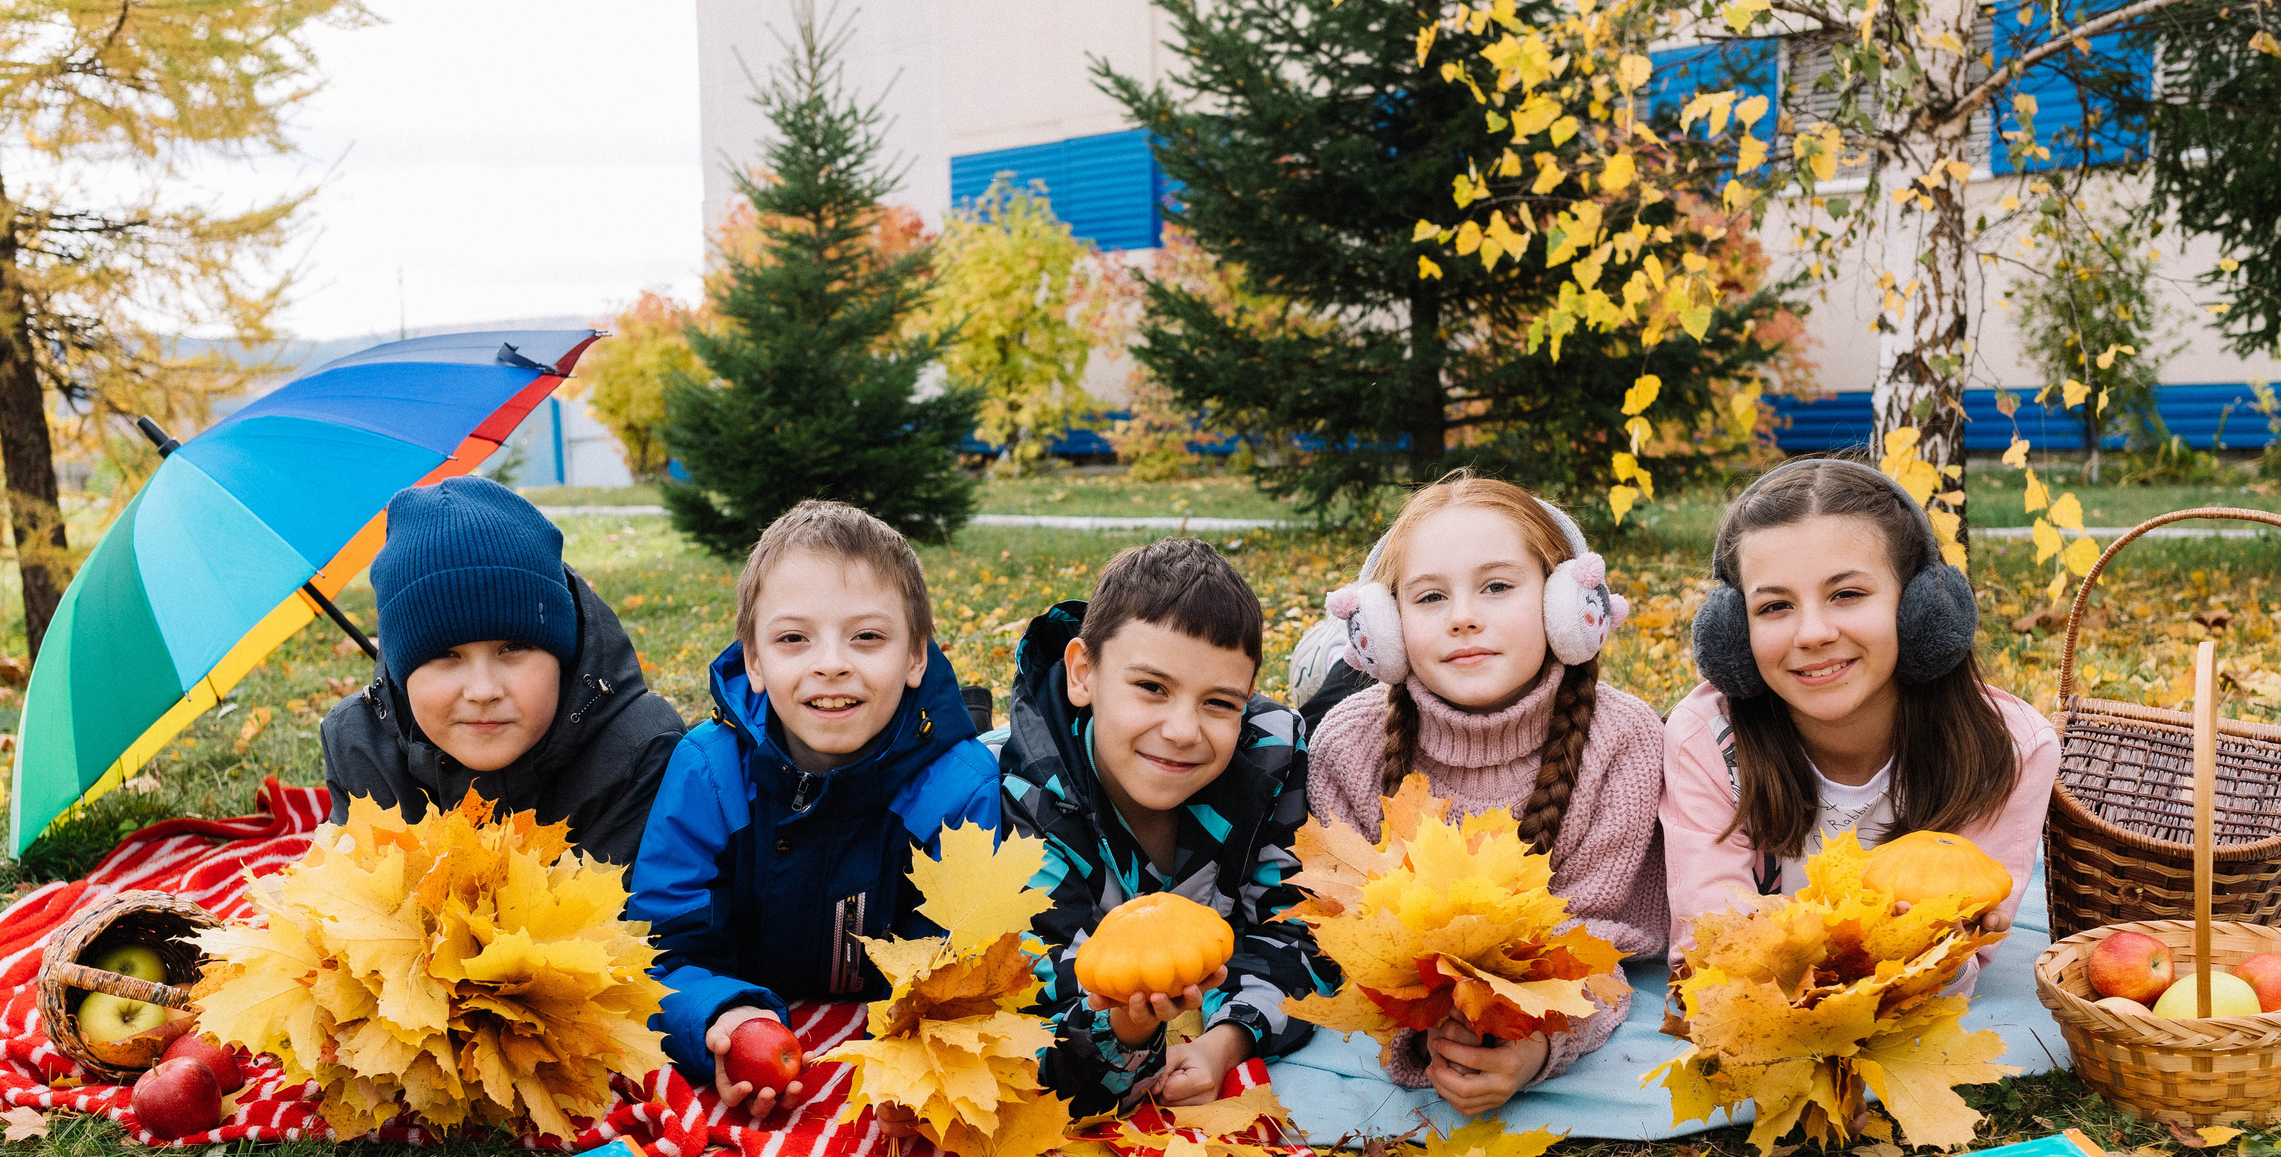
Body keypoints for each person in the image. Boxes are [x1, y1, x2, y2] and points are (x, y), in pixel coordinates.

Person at [1305, 472, 1667, 1116]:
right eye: (1430, 597)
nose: (1464, 616)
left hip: (1551, 1005)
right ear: (1383, 627)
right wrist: (1428, 1029)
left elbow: (1598, 944)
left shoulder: (1624, 741)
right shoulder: (1349, 745)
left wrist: (1536, 1049)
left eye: (1497, 587)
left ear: (1567, 605)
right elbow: (1356, 942)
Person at [628, 501, 999, 1118]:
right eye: (794, 638)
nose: (831, 662)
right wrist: (719, 1013)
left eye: (868, 637)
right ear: (753, 660)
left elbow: (969, 969)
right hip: (755, 1019)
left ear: (916, 658)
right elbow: (658, 946)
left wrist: (929, 1058)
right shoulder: (710, 773)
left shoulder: (957, 790)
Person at [1658, 456, 2059, 959]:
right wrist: (1878, 939)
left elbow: (1963, 956)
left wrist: (1943, 947)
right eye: (1775, 606)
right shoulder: (1707, 740)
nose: (1813, 634)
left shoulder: (2012, 749)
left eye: (1847, 594)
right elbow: (1707, 944)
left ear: (1921, 610)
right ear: (1735, 634)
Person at [1004, 538, 1324, 1114]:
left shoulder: (1271, 759)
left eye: (1219, 704)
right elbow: (1038, 1002)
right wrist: (1126, 1029)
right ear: (1083, 674)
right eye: (1152, 688)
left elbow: (1301, 926)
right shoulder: (1033, 796)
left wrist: (1226, 1042)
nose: (1182, 730)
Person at [319, 475, 685, 869]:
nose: (482, 690)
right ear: (402, 675)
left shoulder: (636, 749)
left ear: (563, 654)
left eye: (514, 647)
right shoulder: (359, 745)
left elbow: (623, 924)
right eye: (445, 654)